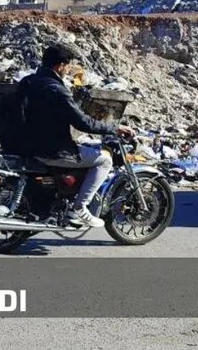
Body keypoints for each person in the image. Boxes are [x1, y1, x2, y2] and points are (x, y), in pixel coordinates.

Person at [18, 43, 134, 228]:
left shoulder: (29, 82)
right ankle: (79, 208)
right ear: (60, 66)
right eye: (68, 65)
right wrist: (114, 128)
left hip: (25, 145)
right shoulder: (57, 89)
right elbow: (82, 122)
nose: (69, 70)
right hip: (51, 150)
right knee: (104, 159)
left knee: (82, 150)